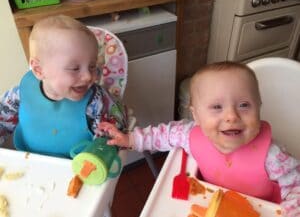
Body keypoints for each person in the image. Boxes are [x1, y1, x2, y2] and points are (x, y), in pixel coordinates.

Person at [99, 61, 300, 217]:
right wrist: (131, 139)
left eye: (244, 105)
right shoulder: (189, 134)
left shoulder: (272, 156)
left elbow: (296, 186)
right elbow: (162, 134)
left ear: (259, 107)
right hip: (211, 203)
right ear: (195, 116)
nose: (231, 116)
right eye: (216, 107)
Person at [0, 15, 127, 158]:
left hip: (78, 168)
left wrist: (99, 150)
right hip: (29, 162)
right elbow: (2, 120)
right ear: (39, 70)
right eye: (74, 68)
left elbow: (114, 134)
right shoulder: (21, 94)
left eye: (92, 66)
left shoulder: (96, 102)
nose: (88, 76)